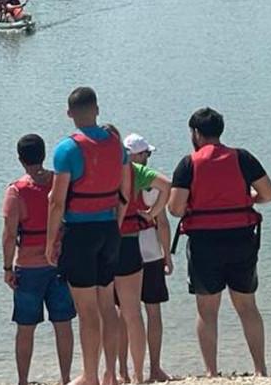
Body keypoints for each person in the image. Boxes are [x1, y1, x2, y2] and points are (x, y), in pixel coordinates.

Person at [168, 107, 271, 377]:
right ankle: (260, 370)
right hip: (241, 238)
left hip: (205, 241)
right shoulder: (243, 158)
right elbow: (269, 194)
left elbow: (175, 208)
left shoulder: (188, 163)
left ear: (195, 133)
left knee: (207, 311)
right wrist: (244, 200)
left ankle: (211, 373)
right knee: (247, 306)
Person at [46, 87, 131, 385]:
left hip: (80, 233)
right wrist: (116, 224)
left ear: (69, 114)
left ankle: (90, 375)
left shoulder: (67, 149)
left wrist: (49, 242)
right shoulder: (117, 146)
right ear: (97, 109)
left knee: (86, 311)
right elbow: (125, 193)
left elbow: (56, 202)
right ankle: (111, 373)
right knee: (107, 305)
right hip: (109, 229)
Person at [3, 134, 75, 385]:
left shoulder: (16, 191)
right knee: (63, 323)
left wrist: (6, 268)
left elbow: (10, 234)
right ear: (44, 155)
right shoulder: (59, 182)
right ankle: (65, 378)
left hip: (29, 266)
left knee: (25, 327)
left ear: (20, 159)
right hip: (58, 263)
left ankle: (23, 381)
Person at [112, 132, 171, 383]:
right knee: (151, 311)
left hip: (125, 248)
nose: (148, 156)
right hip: (150, 252)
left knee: (123, 313)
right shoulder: (148, 180)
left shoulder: (117, 175)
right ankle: (153, 368)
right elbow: (163, 223)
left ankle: (123, 371)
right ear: (136, 155)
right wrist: (168, 254)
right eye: (146, 152)